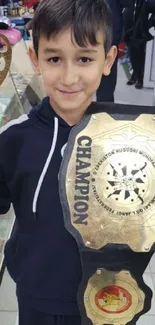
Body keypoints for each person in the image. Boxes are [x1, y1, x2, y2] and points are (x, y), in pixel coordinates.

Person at [0, 1, 117, 324]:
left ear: (107, 61)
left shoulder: (126, 139)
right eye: (54, 59)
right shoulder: (13, 140)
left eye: (84, 59)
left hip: (108, 295)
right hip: (37, 291)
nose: (69, 76)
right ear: (36, 60)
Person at [97, 0, 135, 102]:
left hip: (110, 36)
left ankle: (104, 110)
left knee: (106, 80)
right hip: (85, 34)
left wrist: (122, 39)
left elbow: (128, 7)